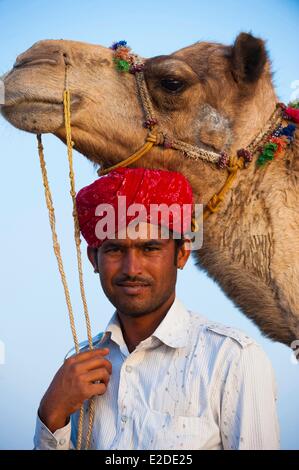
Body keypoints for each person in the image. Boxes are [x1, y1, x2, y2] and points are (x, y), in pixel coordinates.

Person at [34, 167, 280, 450]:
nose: (132, 269)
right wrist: (51, 415)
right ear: (94, 258)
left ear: (182, 253)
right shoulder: (79, 368)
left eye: (150, 248)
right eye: (115, 250)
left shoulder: (232, 360)